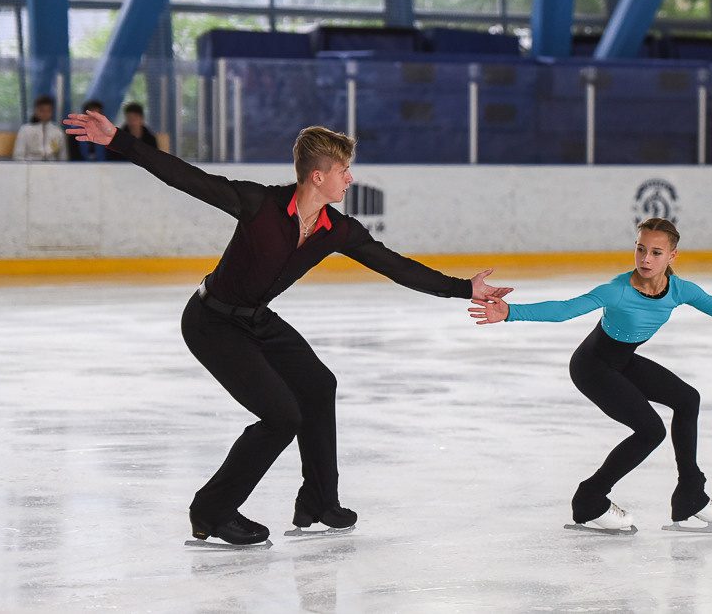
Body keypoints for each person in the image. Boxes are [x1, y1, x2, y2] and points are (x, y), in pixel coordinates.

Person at [64, 109, 512, 547]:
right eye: (344, 171)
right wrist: (119, 140)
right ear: (318, 177)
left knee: (318, 385)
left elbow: (395, 267)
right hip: (211, 321)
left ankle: (318, 502)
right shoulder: (258, 203)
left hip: (257, 319)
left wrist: (463, 288)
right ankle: (212, 510)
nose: (349, 179)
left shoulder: (337, 229)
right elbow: (186, 177)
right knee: (281, 416)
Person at [469, 218, 712, 533]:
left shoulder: (680, 290)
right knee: (650, 431)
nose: (645, 259)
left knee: (688, 399)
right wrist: (511, 312)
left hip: (623, 361)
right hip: (592, 366)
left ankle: (690, 494)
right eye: (640, 249)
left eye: (656, 252)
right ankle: (590, 499)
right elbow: (565, 310)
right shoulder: (617, 289)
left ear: (671, 257)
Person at [12, 94, 68, 161]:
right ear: (36, 110)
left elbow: (63, 156)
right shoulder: (25, 130)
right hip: (30, 166)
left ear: (52, 112)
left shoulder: (57, 131)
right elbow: (18, 155)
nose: (45, 113)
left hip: (52, 167)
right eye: (42, 110)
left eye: (48, 111)